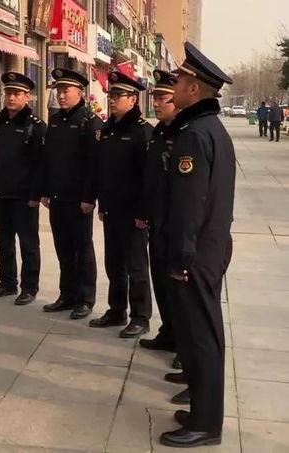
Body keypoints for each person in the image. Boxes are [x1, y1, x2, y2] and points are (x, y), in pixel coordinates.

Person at [158, 42, 235, 448]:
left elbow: (190, 205)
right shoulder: (209, 129)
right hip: (209, 246)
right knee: (197, 333)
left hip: (197, 252)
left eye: (180, 81)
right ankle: (201, 412)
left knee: (202, 336)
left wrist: (181, 258)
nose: (175, 87)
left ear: (194, 89)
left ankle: (206, 424)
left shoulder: (194, 135)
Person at [88, 71, 153, 338]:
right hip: (112, 209)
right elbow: (102, 170)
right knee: (114, 264)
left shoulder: (143, 132)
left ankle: (141, 317)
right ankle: (117, 310)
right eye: (110, 95)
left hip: (134, 213)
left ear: (133, 99)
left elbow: (148, 178)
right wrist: (102, 204)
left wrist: (143, 213)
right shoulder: (108, 130)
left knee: (136, 266)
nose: (112, 100)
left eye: (118, 96)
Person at [41, 69, 103, 320]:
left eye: (66, 91)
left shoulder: (90, 122)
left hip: (79, 200)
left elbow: (94, 164)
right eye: (58, 90)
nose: (61, 95)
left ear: (80, 92)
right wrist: (45, 191)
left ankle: (85, 299)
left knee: (83, 250)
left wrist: (89, 197)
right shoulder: (56, 120)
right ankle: (67, 294)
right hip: (58, 196)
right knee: (63, 249)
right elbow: (49, 159)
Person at [0, 72, 47, 305]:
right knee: (4, 241)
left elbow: (41, 164)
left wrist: (36, 194)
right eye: (8, 93)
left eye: (17, 93)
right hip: (1, 193)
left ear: (27, 97)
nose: (11, 97)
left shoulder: (35, 125)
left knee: (28, 244)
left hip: (24, 196)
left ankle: (29, 287)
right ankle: (7, 282)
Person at [138, 69, 179, 350]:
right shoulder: (158, 132)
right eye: (155, 98)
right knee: (161, 283)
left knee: (179, 290)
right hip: (157, 222)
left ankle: (184, 345)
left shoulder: (185, 134)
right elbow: (150, 177)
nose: (156, 103)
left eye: (162, 98)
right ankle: (168, 333)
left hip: (175, 223)